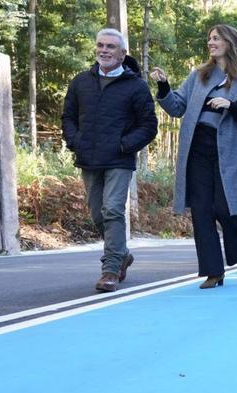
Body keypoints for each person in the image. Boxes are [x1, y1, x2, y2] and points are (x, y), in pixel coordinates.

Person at [151, 24, 237, 289]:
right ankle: (213, 271)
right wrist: (164, 86)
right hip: (197, 147)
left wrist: (232, 107)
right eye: (209, 39)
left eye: (216, 39)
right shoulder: (199, 75)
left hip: (229, 151)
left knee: (225, 208)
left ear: (230, 44)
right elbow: (177, 107)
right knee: (201, 210)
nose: (211, 43)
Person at [62, 28, 158, 292]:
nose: (104, 50)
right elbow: (68, 117)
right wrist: (76, 141)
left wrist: (123, 145)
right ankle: (122, 254)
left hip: (119, 160)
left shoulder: (136, 86)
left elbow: (148, 126)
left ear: (122, 53)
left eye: (110, 47)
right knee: (97, 214)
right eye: (101, 45)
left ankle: (111, 270)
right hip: (88, 158)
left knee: (113, 210)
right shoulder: (81, 82)